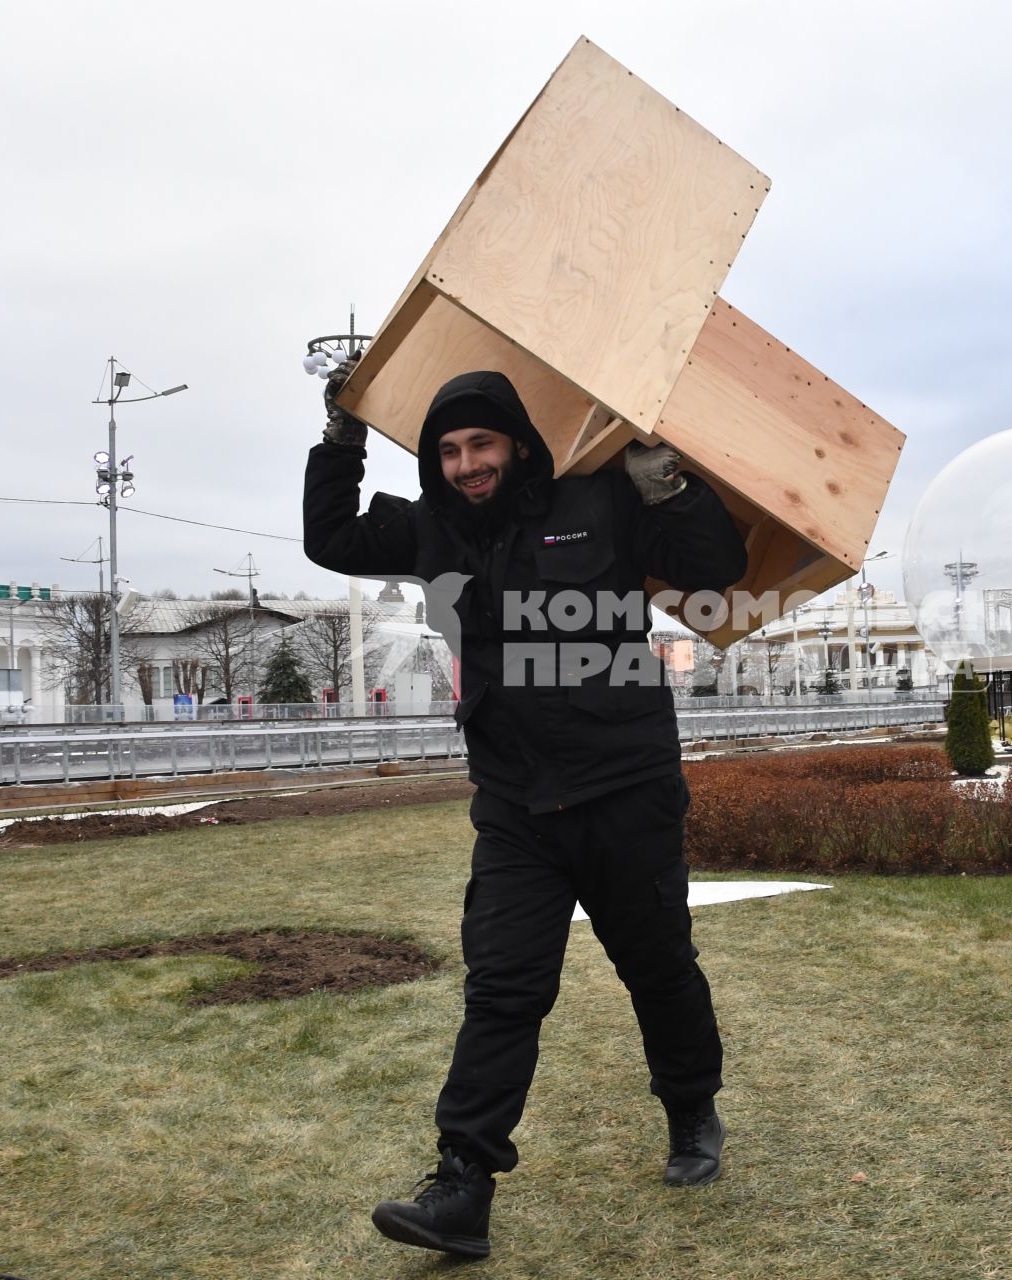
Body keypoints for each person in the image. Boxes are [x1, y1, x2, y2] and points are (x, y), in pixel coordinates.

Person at [302, 362, 749, 1259]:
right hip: (515, 800)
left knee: (658, 966)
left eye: (482, 443)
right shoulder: (433, 526)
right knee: (503, 988)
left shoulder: (601, 498)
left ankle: (691, 1109)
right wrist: (342, 435)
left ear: (516, 443)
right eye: (450, 449)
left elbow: (717, 572)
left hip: (625, 785)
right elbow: (333, 538)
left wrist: (666, 487)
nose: (467, 463)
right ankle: (463, 1184)